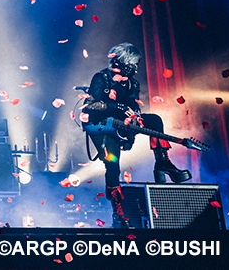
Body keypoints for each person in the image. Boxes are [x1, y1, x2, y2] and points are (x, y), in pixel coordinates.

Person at [80, 42, 191, 228]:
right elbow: (91, 105)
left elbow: (133, 105)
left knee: (154, 120)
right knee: (112, 164)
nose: (135, 68)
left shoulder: (133, 83)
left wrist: (133, 122)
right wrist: (117, 107)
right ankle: (118, 211)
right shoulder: (101, 78)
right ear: (123, 62)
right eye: (133, 63)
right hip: (100, 126)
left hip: (121, 124)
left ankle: (163, 162)